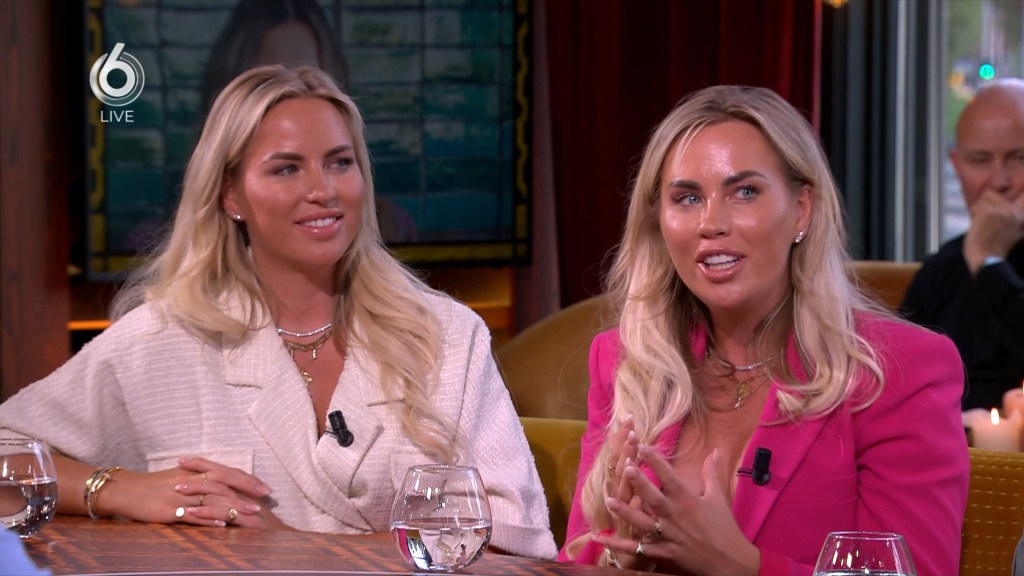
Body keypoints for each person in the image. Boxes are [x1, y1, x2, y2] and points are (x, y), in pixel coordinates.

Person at [0, 65, 556, 560]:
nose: (323, 190)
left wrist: (296, 548)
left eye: (340, 162)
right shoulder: (164, 338)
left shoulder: (446, 336)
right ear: (231, 195)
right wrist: (115, 488)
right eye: (286, 169)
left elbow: (513, 541)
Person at [557, 85, 968, 575]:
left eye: (745, 192)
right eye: (687, 198)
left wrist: (742, 566)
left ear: (801, 210)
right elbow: (575, 559)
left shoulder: (899, 372)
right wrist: (617, 552)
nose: (711, 223)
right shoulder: (627, 363)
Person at [900, 78, 1024, 410]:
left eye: (1019, 158)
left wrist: (989, 263)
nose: (999, 182)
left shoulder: (975, 255)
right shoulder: (940, 270)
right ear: (957, 165)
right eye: (980, 160)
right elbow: (897, 384)